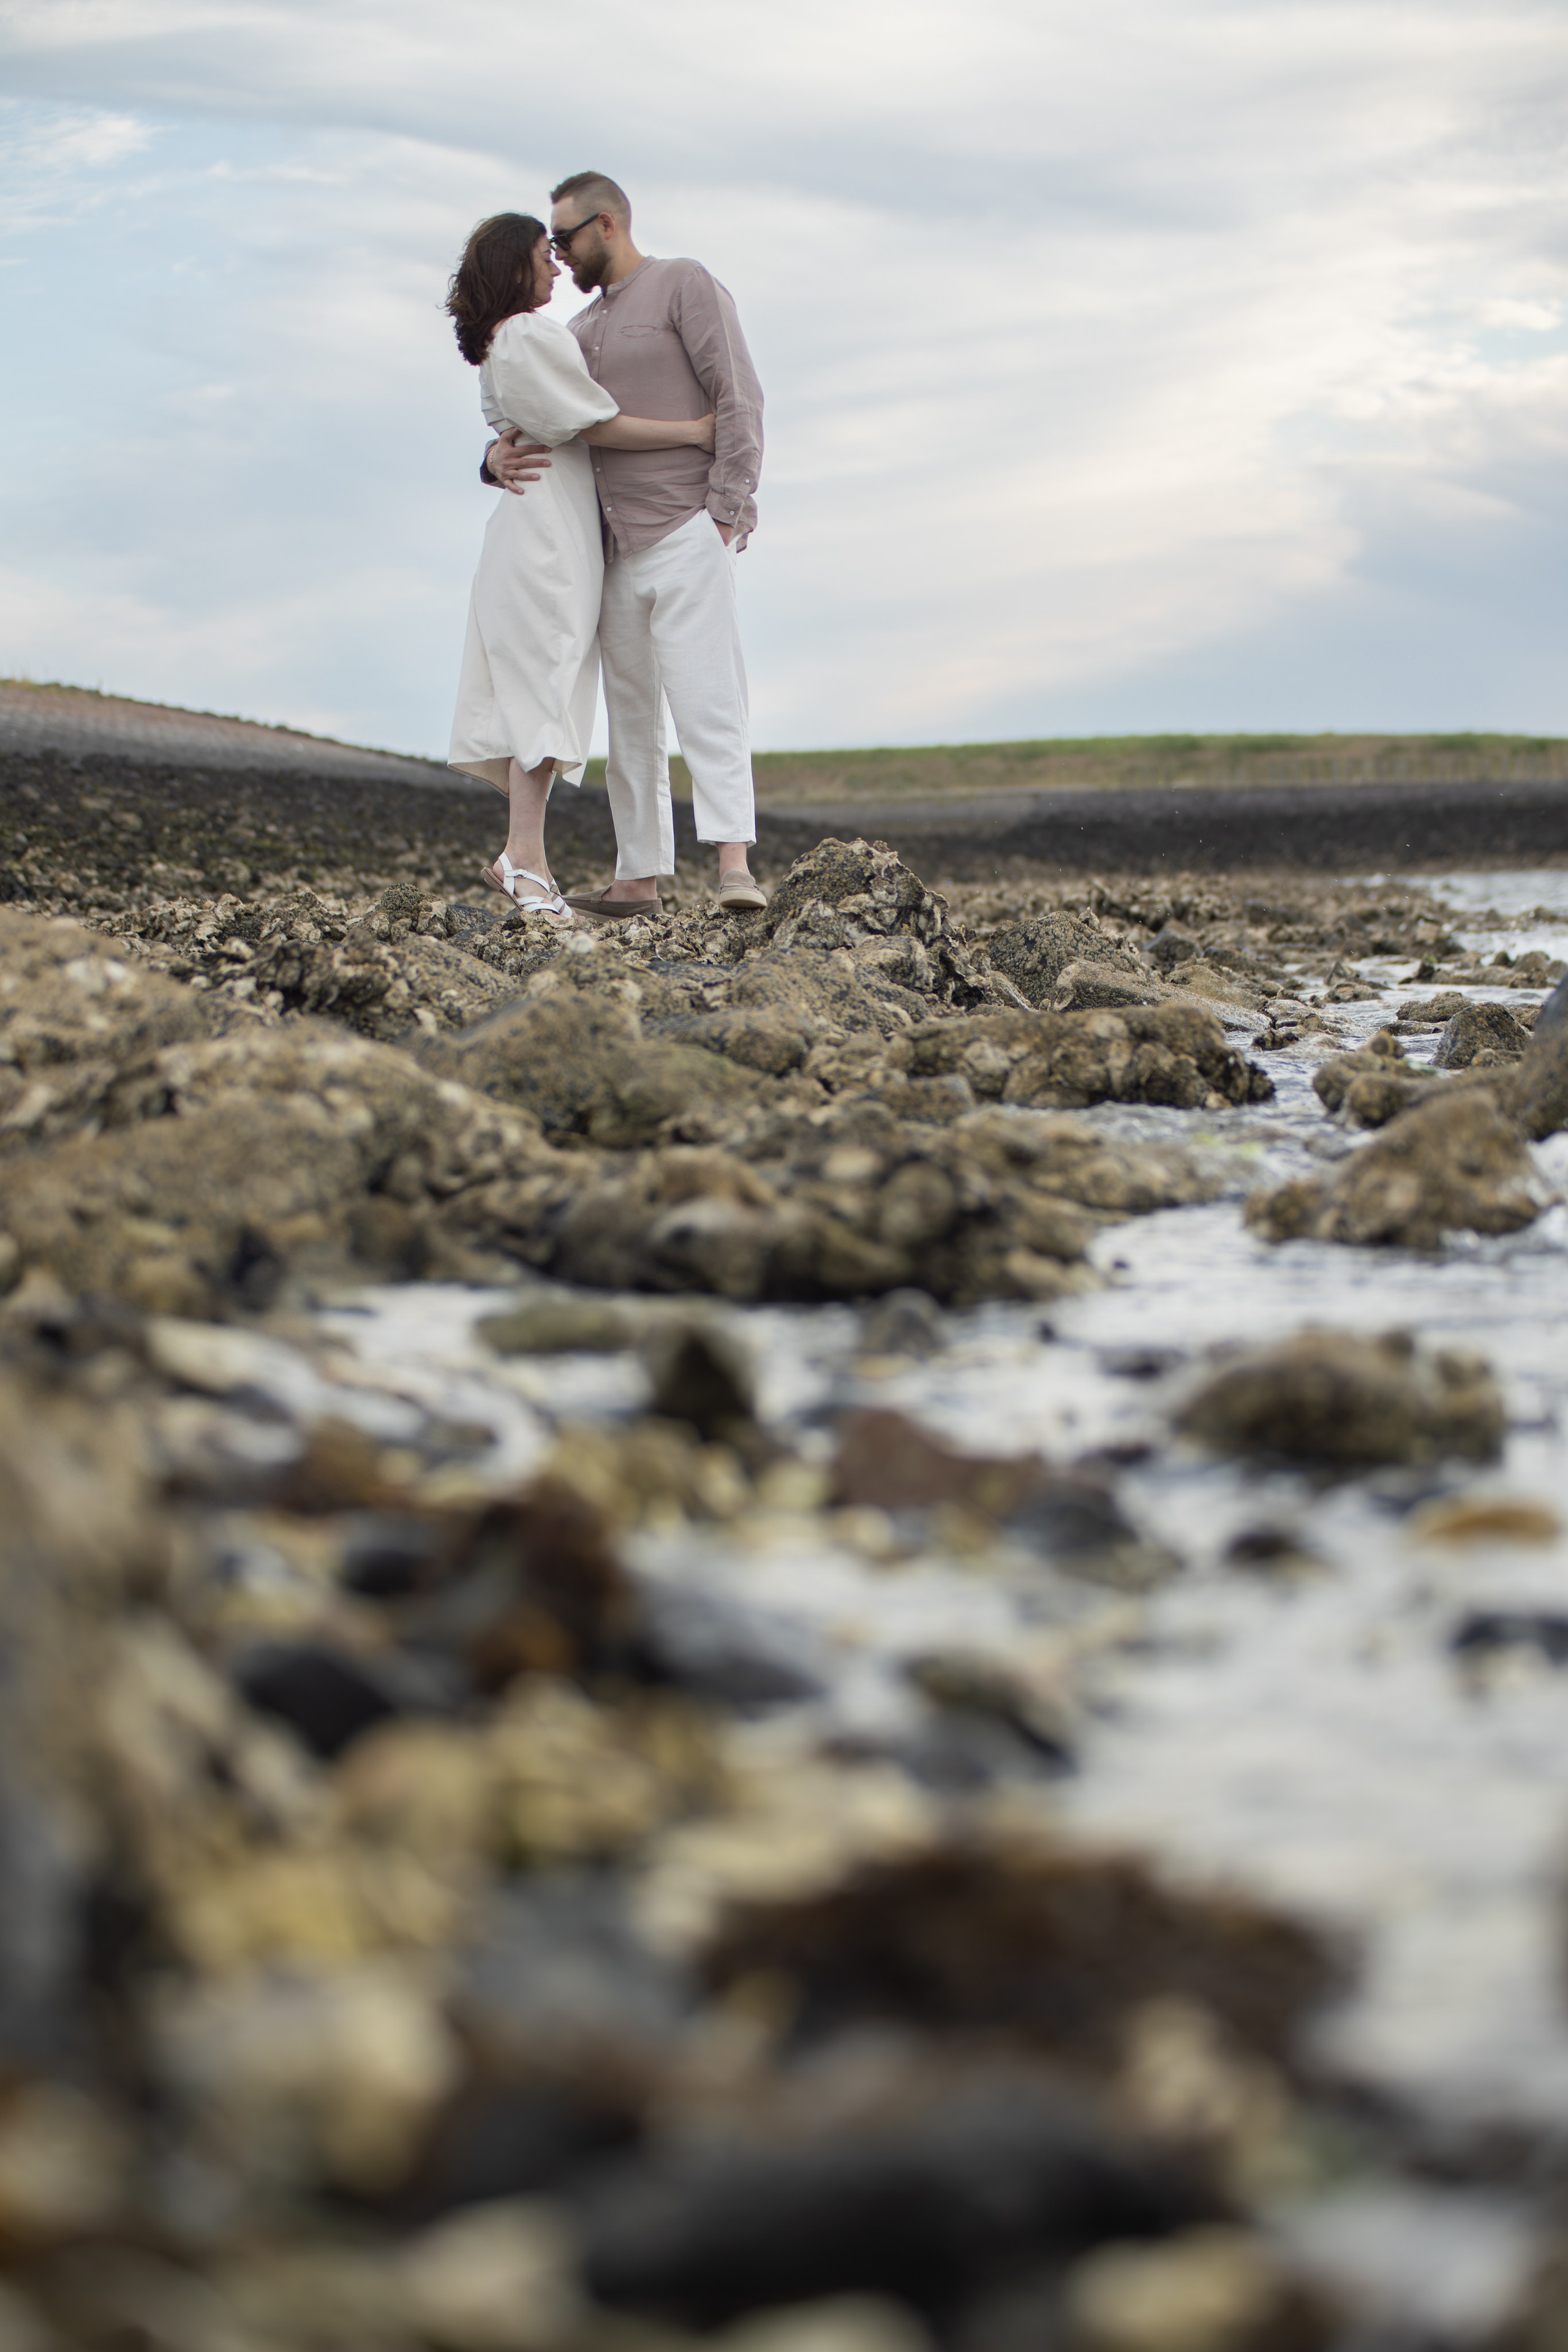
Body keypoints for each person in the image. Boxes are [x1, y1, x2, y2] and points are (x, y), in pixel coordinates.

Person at [484, 172, 766, 918]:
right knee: (630, 719)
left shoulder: (683, 284)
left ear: (606, 224)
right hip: (608, 550)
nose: (557, 254)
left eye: (564, 238)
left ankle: (734, 867)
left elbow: (738, 394)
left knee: (709, 696)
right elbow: (548, 418)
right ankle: (637, 880)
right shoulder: (573, 331)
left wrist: (727, 510)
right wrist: (488, 459)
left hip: (685, 526)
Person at [446, 212, 717, 919]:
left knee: (543, 688)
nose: (555, 266)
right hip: (547, 540)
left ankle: (526, 857)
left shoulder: (507, 340)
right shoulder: (527, 333)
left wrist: (490, 460)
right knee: (544, 688)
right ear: (514, 266)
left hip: (546, 529)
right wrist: (693, 430)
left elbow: (531, 429)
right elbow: (595, 423)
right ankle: (523, 860)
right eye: (544, 254)